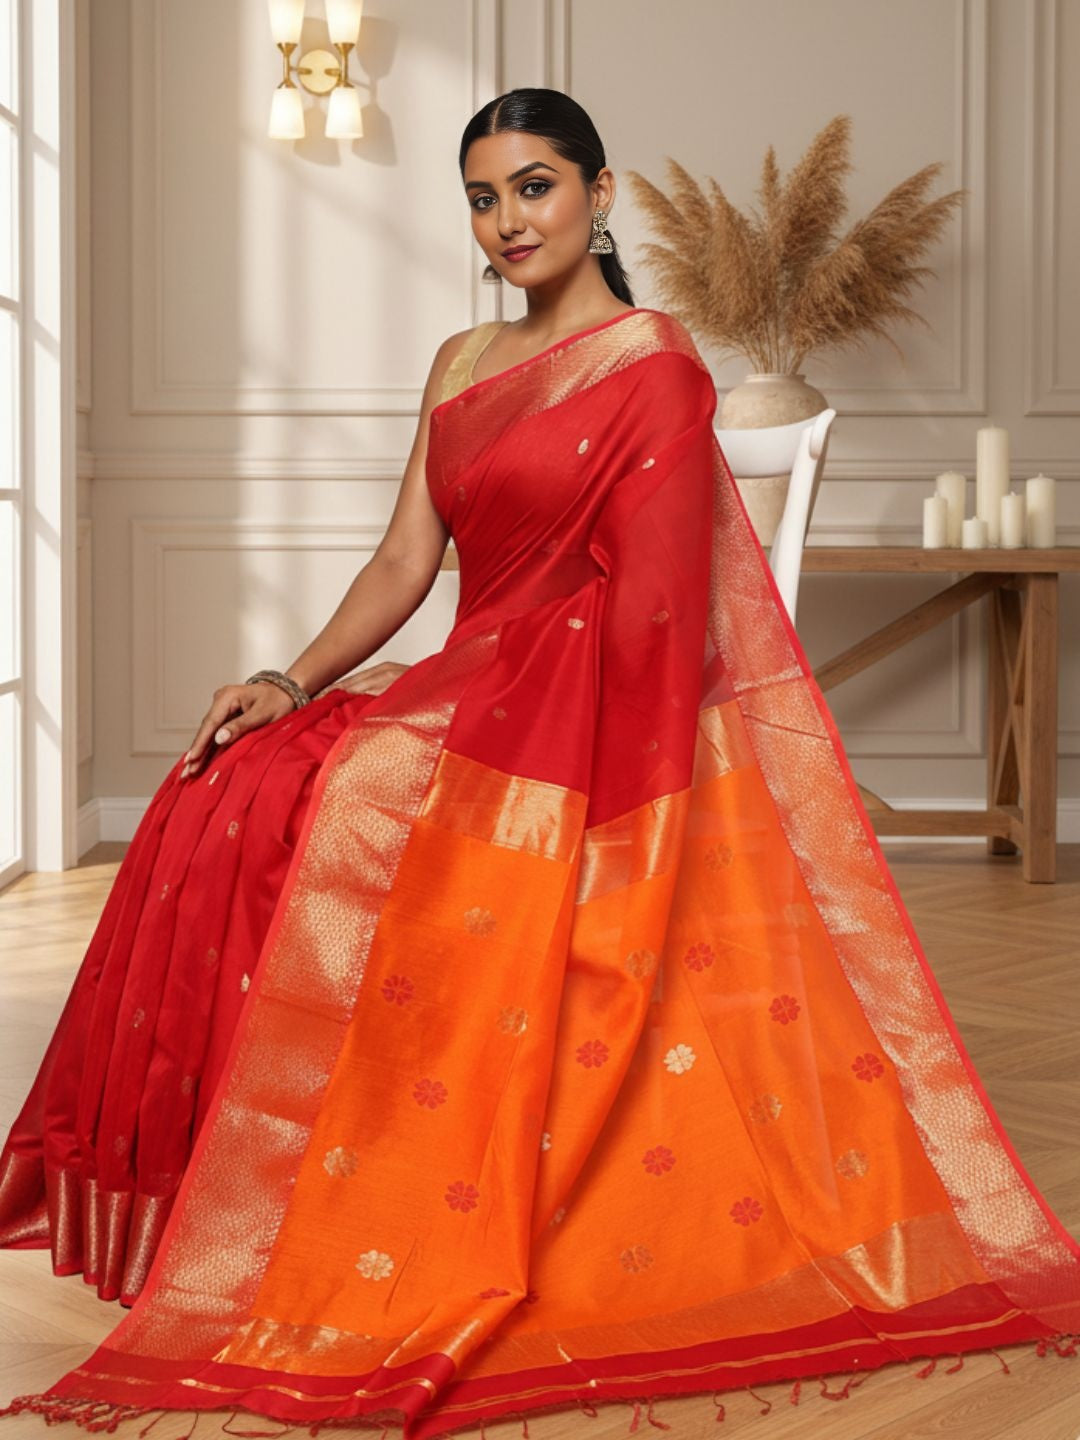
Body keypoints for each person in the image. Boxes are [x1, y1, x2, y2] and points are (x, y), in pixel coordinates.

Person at [2, 86, 1079, 1439]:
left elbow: (656, 615)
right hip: (469, 685)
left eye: (534, 187)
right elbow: (406, 559)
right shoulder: (460, 361)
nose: (508, 221)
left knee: (351, 797)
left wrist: (588, 781)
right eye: (482, 198)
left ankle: (338, 1172)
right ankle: (244, 1183)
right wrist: (290, 680)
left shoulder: (655, 366)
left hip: (572, 706)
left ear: (599, 193)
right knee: (233, 780)